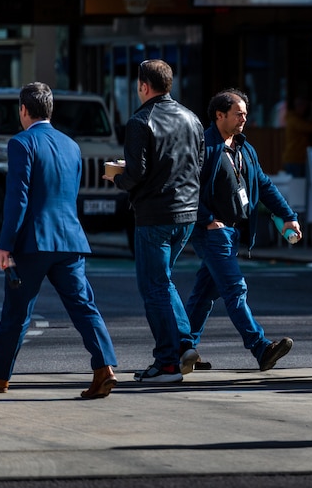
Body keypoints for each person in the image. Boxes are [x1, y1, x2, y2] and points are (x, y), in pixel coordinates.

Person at [0, 82, 118, 399]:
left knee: (17, 311)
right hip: (70, 240)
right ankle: (104, 368)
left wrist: (5, 244)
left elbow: (17, 199)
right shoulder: (71, 146)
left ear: (23, 110)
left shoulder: (21, 143)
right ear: (50, 110)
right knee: (83, 306)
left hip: (34, 241)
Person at [181, 89, 298, 371]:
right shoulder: (204, 146)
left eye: (245, 112)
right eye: (238, 113)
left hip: (233, 231)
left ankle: (180, 349)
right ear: (220, 115)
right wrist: (207, 217)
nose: (244, 117)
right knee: (235, 288)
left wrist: (288, 216)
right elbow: (186, 185)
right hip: (212, 232)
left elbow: (264, 185)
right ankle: (260, 347)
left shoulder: (244, 147)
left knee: (204, 295)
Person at [106, 59, 205, 383]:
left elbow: (136, 174)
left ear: (143, 86)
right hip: (186, 214)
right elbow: (198, 165)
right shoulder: (192, 119)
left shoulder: (140, 121)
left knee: (154, 286)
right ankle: (184, 346)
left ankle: (166, 363)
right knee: (163, 282)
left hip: (155, 215)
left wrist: (116, 178)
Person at [282, 95, 312, 178]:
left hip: (300, 159)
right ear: (299, 106)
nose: (306, 109)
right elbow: (309, 128)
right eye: (305, 106)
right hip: (295, 159)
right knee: (297, 186)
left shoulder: (297, 118)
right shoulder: (293, 119)